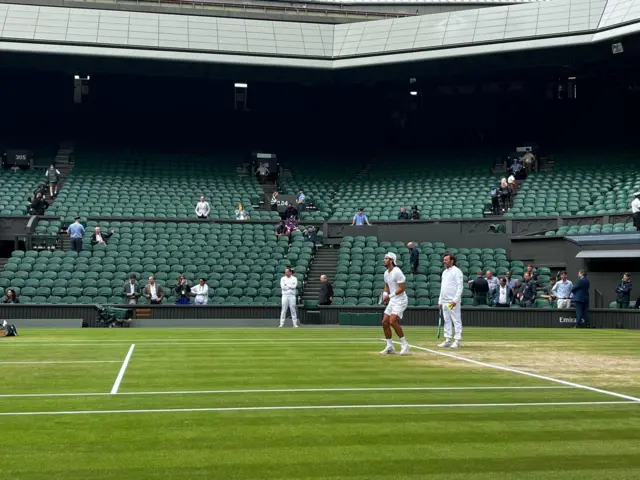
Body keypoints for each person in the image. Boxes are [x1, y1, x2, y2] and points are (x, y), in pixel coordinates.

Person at [379, 252, 410, 355]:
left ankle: (405, 344)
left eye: (386, 258)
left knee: (392, 321)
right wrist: (384, 294)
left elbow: (402, 288)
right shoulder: (386, 273)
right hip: (393, 301)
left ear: (391, 260)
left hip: (401, 301)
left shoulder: (397, 272)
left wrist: (389, 296)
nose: (384, 260)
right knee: (384, 322)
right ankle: (390, 346)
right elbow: (387, 286)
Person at [438, 253, 463, 348]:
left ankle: (457, 340)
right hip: (444, 301)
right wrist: (440, 301)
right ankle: (448, 339)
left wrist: (455, 300)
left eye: (446, 260)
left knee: (456, 319)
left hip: (452, 301)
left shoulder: (457, 271)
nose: (444, 261)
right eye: (444, 260)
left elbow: (460, 286)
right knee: (447, 320)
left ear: (451, 261)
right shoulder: (444, 272)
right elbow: (442, 287)